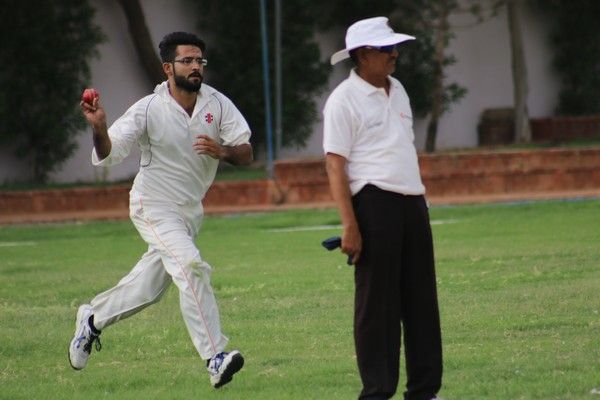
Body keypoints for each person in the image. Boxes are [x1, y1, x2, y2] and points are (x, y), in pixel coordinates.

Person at [69, 31, 251, 389]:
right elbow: (108, 154)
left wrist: (224, 151)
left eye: (199, 60)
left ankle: (92, 320)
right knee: (191, 267)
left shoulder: (217, 104)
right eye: (187, 60)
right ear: (168, 68)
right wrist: (99, 128)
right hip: (152, 205)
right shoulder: (148, 108)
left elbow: (246, 152)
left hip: (189, 213)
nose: (196, 66)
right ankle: (215, 357)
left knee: (148, 289)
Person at [323, 17, 443, 400]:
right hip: (374, 203)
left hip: (413, 201)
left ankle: (424, 391)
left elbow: (403, 148)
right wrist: (350, 225)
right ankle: (377, 392)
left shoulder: (399, 90)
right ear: (363, 55)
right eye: (387, 49)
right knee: (378, 306)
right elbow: (335, 164)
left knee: (422, 301)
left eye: (395, 48)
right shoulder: (343, 99)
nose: (395, 55)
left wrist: (419, 202)